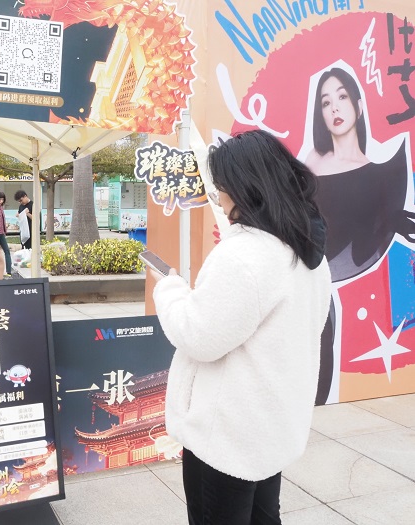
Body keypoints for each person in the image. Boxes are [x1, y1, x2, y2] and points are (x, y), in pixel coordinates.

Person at [152, 130, 331, 525]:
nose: (218, 195)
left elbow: (198, 335)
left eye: (221, 185)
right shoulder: (306, 248)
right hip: (270, 424)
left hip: (228, 434)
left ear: (242, 187)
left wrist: (169, 288)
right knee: (265, 516)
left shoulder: (246, 255)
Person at [302, 66, 413, 404]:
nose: (334, 107)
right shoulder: (313, 162)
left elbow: (363, 246)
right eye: (325, 102)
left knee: (323, 333)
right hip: (300, 275)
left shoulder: (379, 176)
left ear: (359, 106)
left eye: (342, 97)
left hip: (324, 286)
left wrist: (393, 220)